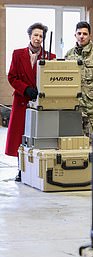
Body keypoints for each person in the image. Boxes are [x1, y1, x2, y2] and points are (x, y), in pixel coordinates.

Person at [5, 22, 55, 181]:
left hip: (40, 103)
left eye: (41, 36)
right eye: (35, 35)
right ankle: (22, 170)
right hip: (22, 101)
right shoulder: (17, 54)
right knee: (20, 138)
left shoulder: (50, 57)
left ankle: (38, 170)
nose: (38, 38)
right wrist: (25, 89)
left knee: (38, 137)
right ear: (30, 36)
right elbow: (11, 76)